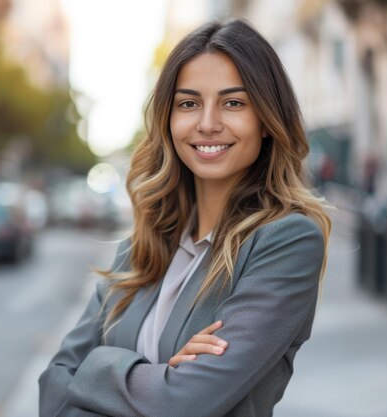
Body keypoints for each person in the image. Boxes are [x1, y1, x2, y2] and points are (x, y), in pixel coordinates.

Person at [39, 19, 331, 417]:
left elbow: (181, 404)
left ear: (266, 120)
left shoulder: (287, 240)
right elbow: (52, 386)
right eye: (189, 103)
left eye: (233, 102)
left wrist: (95, 369)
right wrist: (159, 376)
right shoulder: (145, 242)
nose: (207, 123)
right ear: (169, 119)